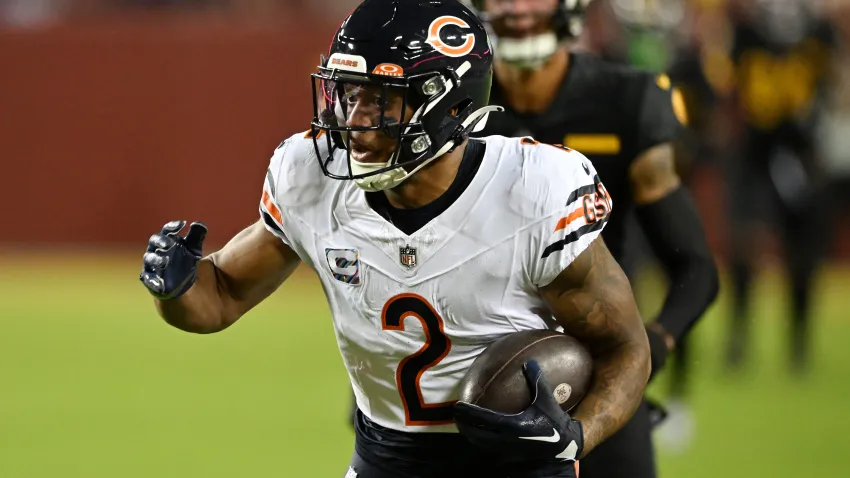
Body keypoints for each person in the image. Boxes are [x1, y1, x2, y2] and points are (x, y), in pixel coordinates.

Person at [139, 1, 651, 477]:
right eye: (349, 93)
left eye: (381, 100)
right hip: (383, 461)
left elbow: (625, 349)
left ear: (449, 105)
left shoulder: (532, 190)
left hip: (513, 463)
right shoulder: (311, 178)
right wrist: (176, 287)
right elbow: (221, 296)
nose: (355, 122)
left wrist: (576, 437)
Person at [467, 0, 720, 476]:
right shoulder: (453, 104)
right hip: (473, 379)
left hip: (599, 378)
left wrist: (649, 349)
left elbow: (694, 267)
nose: (518, 9)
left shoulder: (625, 100)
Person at [721, 0, 836, 374]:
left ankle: (799, 346)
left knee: (803, 257)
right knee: (744, 249)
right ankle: (738, 339)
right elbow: (727, 85)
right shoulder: (746, 31)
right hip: (756, 153)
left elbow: (835, 83)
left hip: (804, 157)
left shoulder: (821, 31)